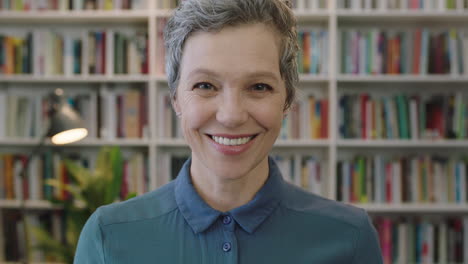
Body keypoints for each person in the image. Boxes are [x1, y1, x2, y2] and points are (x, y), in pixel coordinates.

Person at [74, 0, 383, 263]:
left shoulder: (350, 239)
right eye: (205, 85)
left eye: (259, 86)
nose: (231, 115)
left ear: (287, 100)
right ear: (175, 98)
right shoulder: (107, 238)